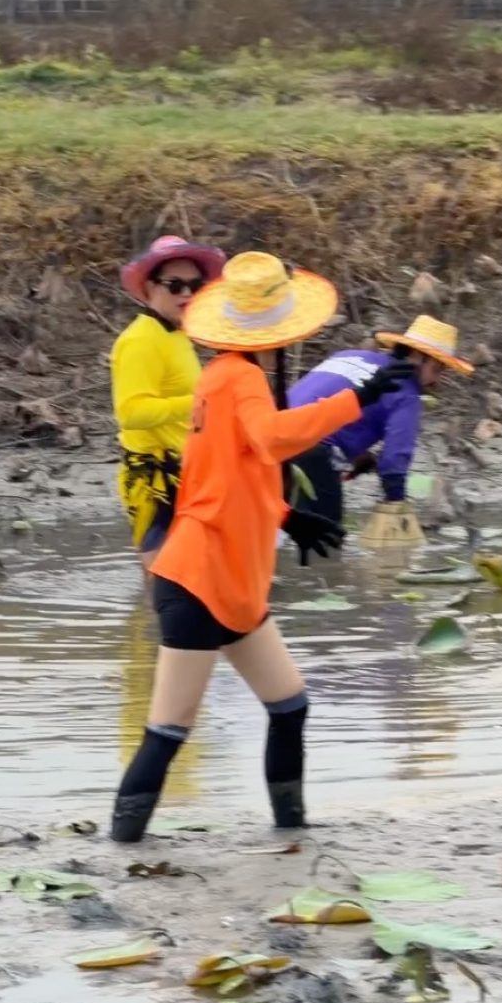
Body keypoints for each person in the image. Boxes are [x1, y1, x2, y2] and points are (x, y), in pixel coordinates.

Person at [110, 252, 414, 843]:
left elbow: (217, 475)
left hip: (234, 582)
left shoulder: (226, 379)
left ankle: (292, 834)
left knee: (290, 705)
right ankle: (120, 848)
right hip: (200, 580)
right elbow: (272, 437)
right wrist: (358, 398)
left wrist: (285, 515)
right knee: (169, 730)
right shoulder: (238, 377)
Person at [287, 315, 474, 524]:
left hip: (269, 439)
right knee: (325, 542)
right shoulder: (405, 391)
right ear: (416, 357)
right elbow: (394, 463)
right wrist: (397, 512)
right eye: (437, 369)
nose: (436, 381)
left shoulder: (347, 356)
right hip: (312, 452)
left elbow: (315, 402)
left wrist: (360, 456)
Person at [110, 235, 226, 571]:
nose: (187, 294)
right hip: (153, 483)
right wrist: (199, 402)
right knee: (162, 586)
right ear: (149, 288)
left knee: (193, 583)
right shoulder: (140, 340)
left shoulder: (177, 335)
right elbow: (131, 413)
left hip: (187, 474)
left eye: (195, 284)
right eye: (175, 286)